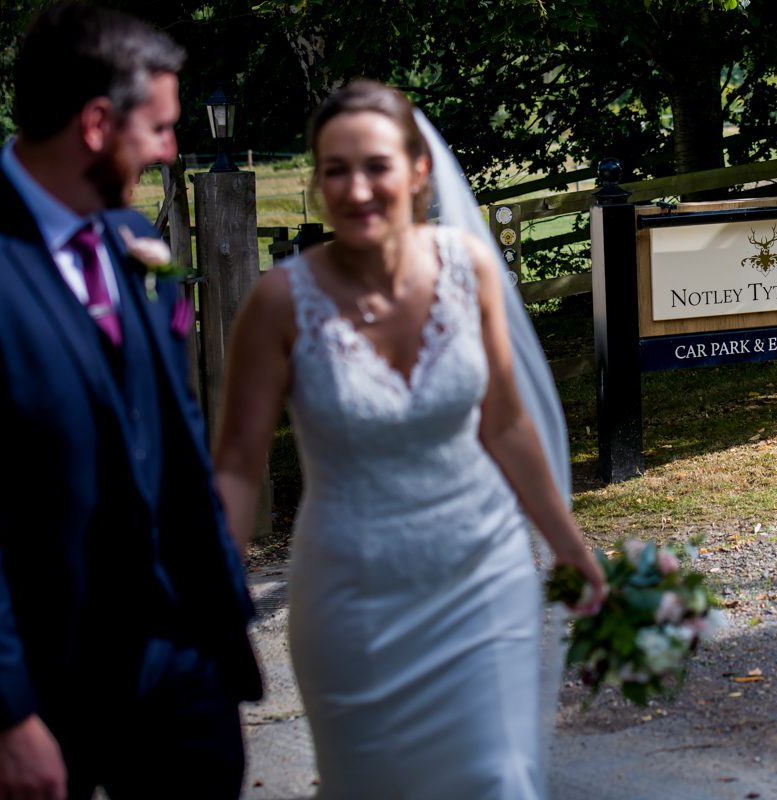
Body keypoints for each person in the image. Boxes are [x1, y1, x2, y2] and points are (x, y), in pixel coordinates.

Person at [212, 79, 606, 798]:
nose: (356, 189)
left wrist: (572, 551)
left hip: (482, 582)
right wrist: (215, 600)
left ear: (419, 172)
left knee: (494, 780)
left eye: (376, 167)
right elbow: (237, 466)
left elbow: (506, 422)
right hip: (352, 599)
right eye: (335, 170)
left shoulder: (469, 267)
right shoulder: (279, 303)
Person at [0, 4, 261, 798]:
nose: (171, 149)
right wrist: (3, 715)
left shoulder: (122, 233)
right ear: (94, 124)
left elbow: (175, 423)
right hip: (44, 687)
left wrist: (219, 610)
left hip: (183, 661)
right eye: (158, 128)